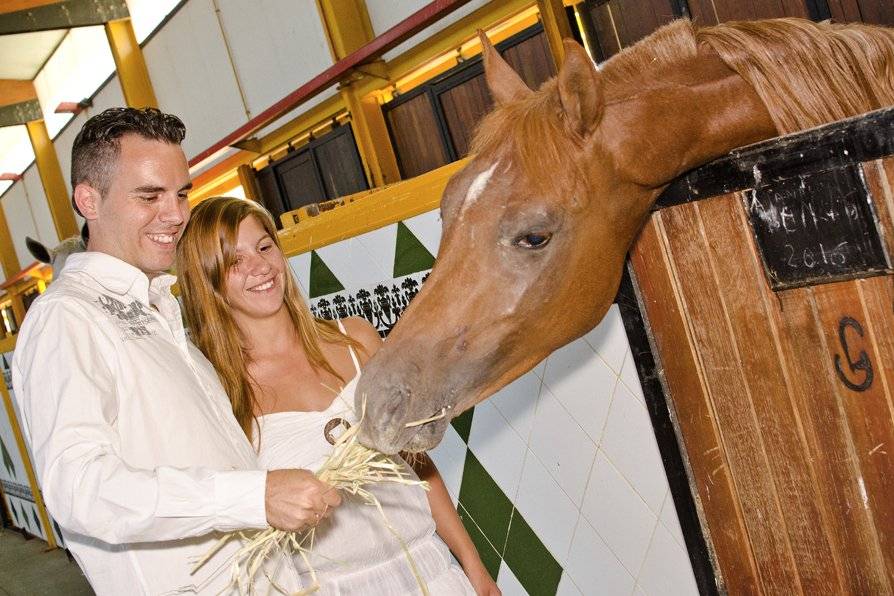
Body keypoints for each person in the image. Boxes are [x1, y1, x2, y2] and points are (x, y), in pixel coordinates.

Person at [11, 107, 340, 595]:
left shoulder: (159, 310)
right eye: (149, 196)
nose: (176, 215)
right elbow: (79, 489)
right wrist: (253, 496)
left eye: (181, 193)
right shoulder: (67, 317)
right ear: (89, 200)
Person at [177, 196, 501, 595]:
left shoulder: (356, 340)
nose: (259, 267)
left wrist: (474, 568)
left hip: (432, 572)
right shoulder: (222, 393)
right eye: (234, 260)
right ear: (209, 282)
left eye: (264, 247)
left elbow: (417, 465)